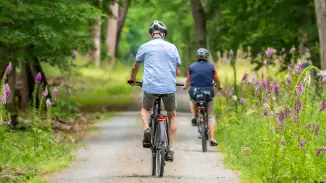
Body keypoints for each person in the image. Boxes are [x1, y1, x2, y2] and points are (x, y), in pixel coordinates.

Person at [127, 20, 181, 162]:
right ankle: (171, 149)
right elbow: (177, 70)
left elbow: (135, 66)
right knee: (172, 115)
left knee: (145, 108)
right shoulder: (172, 48)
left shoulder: (144, 47)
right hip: (169, 87)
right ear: (164, 34)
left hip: (150, 86)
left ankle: (146, 129)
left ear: (152, 34)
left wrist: (132, 79)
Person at [183, 48, 221, 146]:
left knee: (192, 100)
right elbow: (216, 79)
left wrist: (185, 87)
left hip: (195, 92)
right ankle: (212, 138)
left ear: (197, 57)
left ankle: (194, 116)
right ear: (207, 57)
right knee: (211, 116)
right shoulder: (211, 67)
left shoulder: (191, 67)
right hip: (208, 92)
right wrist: (219, 86)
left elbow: (188, 80)